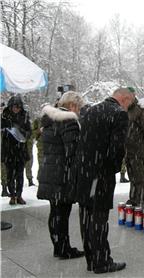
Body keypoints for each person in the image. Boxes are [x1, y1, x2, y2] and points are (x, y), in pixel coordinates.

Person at [74, 87, 134, 274]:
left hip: (84, 171)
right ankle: (102, 261)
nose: (128, 108)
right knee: (99, 216)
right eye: (129, 103)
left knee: (86, 214)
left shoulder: (92, 110)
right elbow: (117, 148)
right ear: (124, 99)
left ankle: (91, 259)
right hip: (101, 175)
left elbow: (83, 141)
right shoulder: (118, 114)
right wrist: (112, 169)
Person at [37, 91, 85, 260]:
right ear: (72, 105)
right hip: (62, 174)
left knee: (55, 211)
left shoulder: (49, 120)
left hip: (50, 171)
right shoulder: (68, 120)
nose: (79, 111)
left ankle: (58, 246)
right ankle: (64, 249)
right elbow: (72, 151)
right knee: (62, 213)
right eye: (79, 107)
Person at [1, 95, 31, 205]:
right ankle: (12, 195)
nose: (16, 109)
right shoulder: (4, 116)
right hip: (8, 149)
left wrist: (23, 132)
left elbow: (29, 131)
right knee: (10, 174)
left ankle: (19, 195)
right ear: (10, 107)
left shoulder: (25, 116)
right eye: (14, 107)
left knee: (19, 174)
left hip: (20, 149)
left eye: (18, 107)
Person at [125, 96, 144, 206]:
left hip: (137, 150)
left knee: (139, 177)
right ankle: (133, 199)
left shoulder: (141, 112)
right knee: (132, 177)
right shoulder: (124, 111)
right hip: (127, 150)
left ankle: (141, 200)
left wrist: (139, 140)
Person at [1, 102, 10, 197]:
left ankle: (7, 187)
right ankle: (4, 188)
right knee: (3, 168)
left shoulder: (6, 120)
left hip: (7, 148)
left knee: (7, 168)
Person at [25, 119, 37, 186]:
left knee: (29, 163)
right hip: (21, 145)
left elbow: (33, 133)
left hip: (28, 145)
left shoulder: (29, 123)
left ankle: (30, 179)